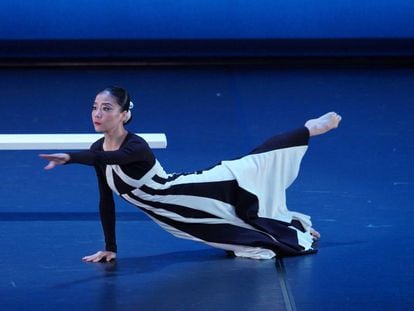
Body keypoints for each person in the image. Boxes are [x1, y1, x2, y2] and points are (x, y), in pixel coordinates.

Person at [40, 86, 341, 262]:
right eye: (95, 107)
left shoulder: (136, 146)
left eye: (106, 108)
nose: (97, 114)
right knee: (231, 226)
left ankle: (308, 129)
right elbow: (106, 200)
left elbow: (108, 157)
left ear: (124, 114)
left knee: (246, 170)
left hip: (182, 192)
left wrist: (69, 158)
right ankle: (285, 223)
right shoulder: (97, 147)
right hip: (170, 214)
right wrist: (110, 248)